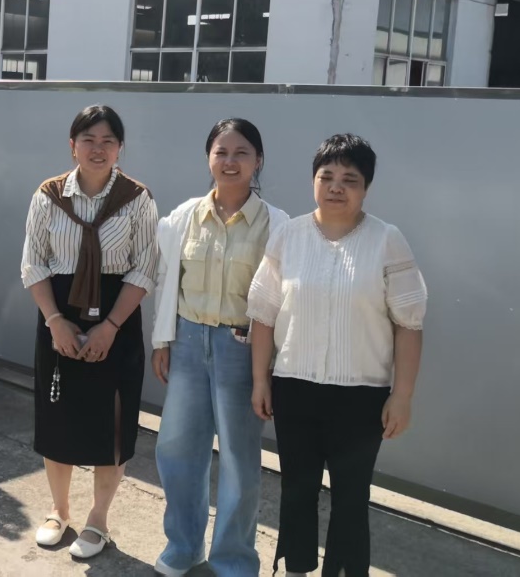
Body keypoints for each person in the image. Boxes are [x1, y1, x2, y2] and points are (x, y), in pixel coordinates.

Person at [246, 133, 427, 577]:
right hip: (295, 387)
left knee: (351, 495)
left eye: (350, 179)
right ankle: (296, 569)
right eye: (327, 176)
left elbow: (409, 324)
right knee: (297, 487)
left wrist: (402, 396)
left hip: (361, 395)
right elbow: (263, 314)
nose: (336, 187)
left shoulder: (387, 240)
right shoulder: (288, 236)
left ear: (366, 187)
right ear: (314, 181)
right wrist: (261, 380)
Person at [151, 118, 290, 577]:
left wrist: (266, 370)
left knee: (238, 459)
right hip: (189, 342)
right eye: (221, 152)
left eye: (241, 153)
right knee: (177, 449)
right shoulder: (184, 216)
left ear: (258, 161)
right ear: (208, 158)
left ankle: (233, 560)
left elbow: (280, 302)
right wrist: (162, 340)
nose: (230, 161)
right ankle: (183, 547)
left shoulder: (277, 225)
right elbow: (167, 282)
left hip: (241, 348)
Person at [20, 104, 159, 559]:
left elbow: (144, 268)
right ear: (72, 145)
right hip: (58, 314)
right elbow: (34, 263)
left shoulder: (137, 199)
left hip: (117, 317)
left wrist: (110, 327)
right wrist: (54, 321)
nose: (98, 149)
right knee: (57, 415)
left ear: (120, 148)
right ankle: (58, 511)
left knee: (111, 424)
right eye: (88, 140)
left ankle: (98, 519)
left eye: (107, 141)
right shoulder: (48, 195)